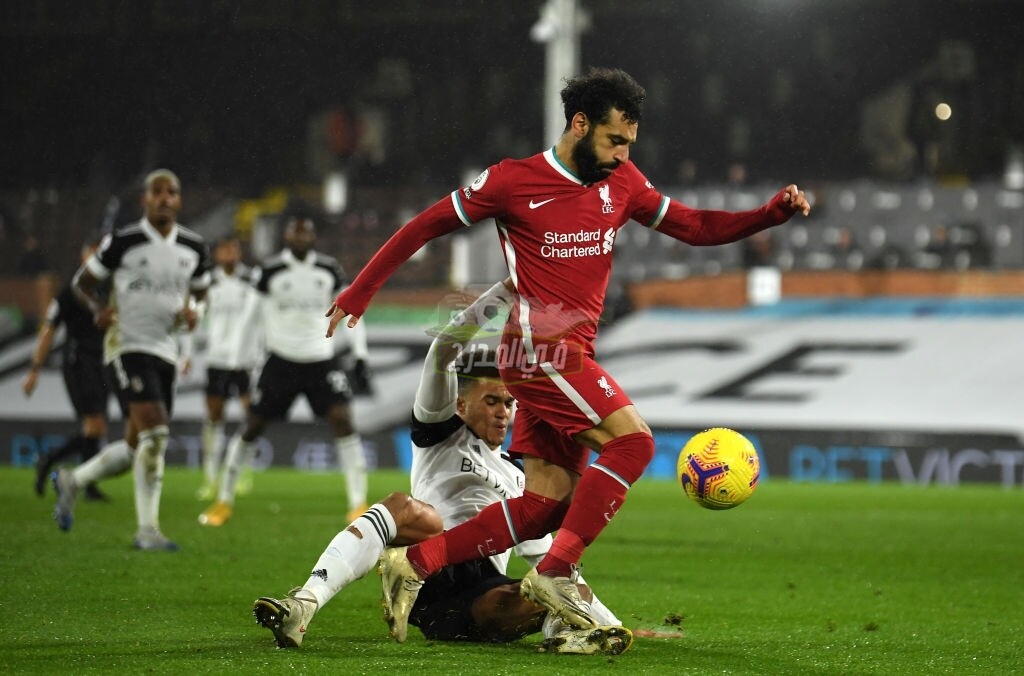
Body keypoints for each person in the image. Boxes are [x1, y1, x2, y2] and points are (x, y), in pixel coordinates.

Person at [325, 67, 812, 636]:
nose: (623, 154)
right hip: (537, 353)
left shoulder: (623, 182)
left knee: (545, 505)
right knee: (633, 444)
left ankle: (415, 563)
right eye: (614, 140)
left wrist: (767, 215)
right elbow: (423, 228)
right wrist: (359, 291)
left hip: (571, 353)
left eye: (630, 142)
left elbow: (695, 225)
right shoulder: (512, 181)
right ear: (580, 124)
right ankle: (555, 574)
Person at [253, 281, 631, 654]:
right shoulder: (441, 434)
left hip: (483, 597)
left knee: (553, 584)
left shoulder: (523, 479)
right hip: (427, 572)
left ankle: (569, 634)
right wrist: (504, 293)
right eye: (491, 401)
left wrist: (609, 621)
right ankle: (304, 603)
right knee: (407, 507)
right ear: (462, 406)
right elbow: (443, 349)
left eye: (509, 404)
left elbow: (545, 561)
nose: (504, 413)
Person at [53, 168, 211, 551]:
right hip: (126, 345)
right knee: (156, 434)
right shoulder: (122, 242)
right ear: (145, 199)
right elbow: (81, 284)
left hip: (165, 350)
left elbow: (202, 294)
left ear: (179, 200)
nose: (164, 198)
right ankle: (147, 531)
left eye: (171, 192)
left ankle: (73, 480)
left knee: (135, 445)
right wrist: (96, 309)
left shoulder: (194, 247)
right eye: (157, 192)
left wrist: (196, 313)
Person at [199, 215, 369, 527]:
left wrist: (360, 353)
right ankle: (223, 500)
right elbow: (248, 317)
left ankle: (358, 504)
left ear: (313, 235)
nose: (301, 234)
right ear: (287, 236)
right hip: (280, 361)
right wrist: (234, 362)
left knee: (344, 422)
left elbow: (352, 306)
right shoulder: (269, 270)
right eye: (296, 229)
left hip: (320, 359)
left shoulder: (329, 269)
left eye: (306, 229)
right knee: (251, 425)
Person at [22, 240, 110, 501]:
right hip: (78, 362)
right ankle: (50, 461)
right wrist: (35, 369)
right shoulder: (70, 292)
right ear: (83, 259)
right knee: (94, 426)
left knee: (96, 428)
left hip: (100, 363)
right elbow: (49, 329)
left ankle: (88, 485)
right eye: (92, 256)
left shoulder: (106, 290)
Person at [195, 234, 262, 501]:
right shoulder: (208, 281)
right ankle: (210, 478)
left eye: (234, 248)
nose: (230, 254)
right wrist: (186, 353)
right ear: (217, 254)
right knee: (214, 417)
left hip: (245, 360)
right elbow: (196, 314)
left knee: (250, 418)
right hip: (217, 359)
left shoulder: (252, 279)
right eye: (225, 249)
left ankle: (243, 473)